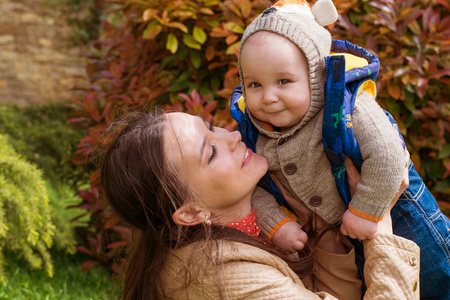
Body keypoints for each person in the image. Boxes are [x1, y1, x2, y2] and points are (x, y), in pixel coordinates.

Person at [230, 0, 450, 298]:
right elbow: (251, 187)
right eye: (254, 84)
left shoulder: (347, 107)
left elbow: (388, 155)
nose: (268, 97)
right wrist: (276, 224)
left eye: (284, 81)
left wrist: (365, 210)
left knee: (438, 282)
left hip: (399, 216)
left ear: (316, 76)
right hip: (342, 242)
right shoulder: (256, 132)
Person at [100, 109, 420, 299]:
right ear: (191, 213)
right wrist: (380, 223)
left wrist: (324, 235)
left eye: (212, 127)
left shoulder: (254, 218)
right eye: (210, 153)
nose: (231, 137)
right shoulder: (219, 275)